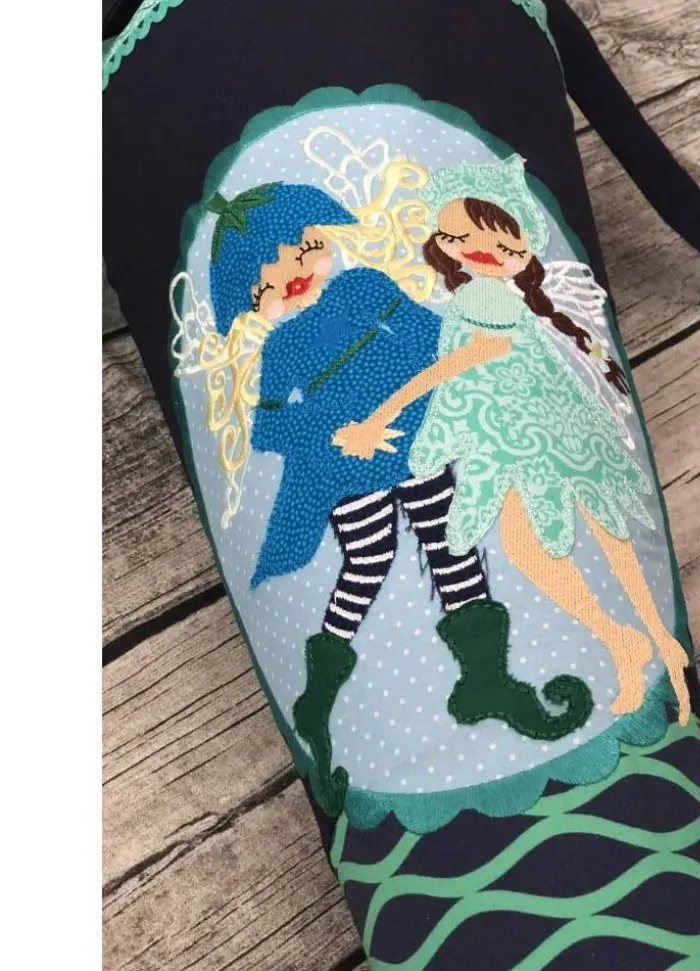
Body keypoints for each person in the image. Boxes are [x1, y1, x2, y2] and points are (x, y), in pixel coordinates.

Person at [204, 179, 594, 813]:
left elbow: (429, 338)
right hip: (344, 469)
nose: (294, 276)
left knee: (451, 540)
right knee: (369, 559)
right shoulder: (281, 348)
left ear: (321, 239)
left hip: (414, 445)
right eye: (268, 283)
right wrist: (335, 433)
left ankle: (486, 678)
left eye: (303, 250)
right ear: (255, 299)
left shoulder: (365, 288)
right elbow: (270, 428)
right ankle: (319, 694)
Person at [333, 156, 691, 723]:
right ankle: (641, 642)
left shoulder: (482, 298)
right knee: (584, 540)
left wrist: (383, 415)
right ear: (442, 243)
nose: (474, 249)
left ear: (520, 244)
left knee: (586, 540)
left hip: (534, 436)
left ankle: (646, 644)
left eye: (496, 239)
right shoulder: (483, 295)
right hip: (538, 431)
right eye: (457, 237)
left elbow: (470, 357)